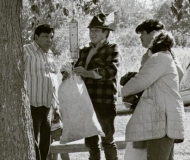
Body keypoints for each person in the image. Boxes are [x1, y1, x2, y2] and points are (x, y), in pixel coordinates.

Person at [122, 29, 185, 160]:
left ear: (154, 44)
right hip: (166, 122)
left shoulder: (159, 58)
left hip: (160, 123)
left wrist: (119, 93)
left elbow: (140, 81)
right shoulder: (169, 58)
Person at [73, 13, 120, 160]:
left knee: (107, 140)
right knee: (91, 142)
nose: (92, 33)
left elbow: (111, 70)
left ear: (106, 32)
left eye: (96, 30)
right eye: (90, 30)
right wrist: (69, 72)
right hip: (87, 101)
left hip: (104, 101)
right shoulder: (84, 50)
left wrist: (88, 73)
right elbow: (76, 69)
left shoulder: (112, 48)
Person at [24, 24, 60, 160]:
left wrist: (56, 106)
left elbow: (53, 79)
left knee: (45, 144)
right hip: (31, 106)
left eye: (51, 37)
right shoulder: (26, 51)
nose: (49, 40)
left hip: (47, 107)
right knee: (31, 142)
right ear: (36, 37)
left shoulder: (49, 55)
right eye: (45, 36)